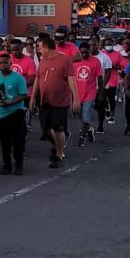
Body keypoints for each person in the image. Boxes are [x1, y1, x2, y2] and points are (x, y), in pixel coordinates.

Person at [32, 35, 76, 168]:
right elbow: (38, 79)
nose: (38, 50)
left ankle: (58, 154)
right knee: (46, 129)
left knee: (57, 128)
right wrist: (34, 96)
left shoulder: (64, 60)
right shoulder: (43, 61)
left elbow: (71, 80)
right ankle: (58, 144)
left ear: (46, 47)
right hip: (45, 100)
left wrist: (76, 99)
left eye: (39, 48)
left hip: (60, 101)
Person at [0, 53, 29, 175]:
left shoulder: (18, 78)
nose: (3, 65)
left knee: (18, 141)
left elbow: (24, 95)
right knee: (4, 142)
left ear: (10, 63)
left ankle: (18, 166)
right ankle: (7, 165)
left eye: (5, 63)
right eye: (1, 63)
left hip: (16, 112)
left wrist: (10, 102)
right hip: (1, 113)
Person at [71, 43, 102, 146]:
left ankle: (82, 137)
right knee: (80, 115)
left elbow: (100, 78)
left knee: (85, 116)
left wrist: (100, 93)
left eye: (86, 52)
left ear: (89, 51)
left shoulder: (95, 61)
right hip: (77, 93)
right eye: (82, 52)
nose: (84, 54)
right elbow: (71, 79)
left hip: (90, 93)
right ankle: (89, 129)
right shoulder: (75, 62)